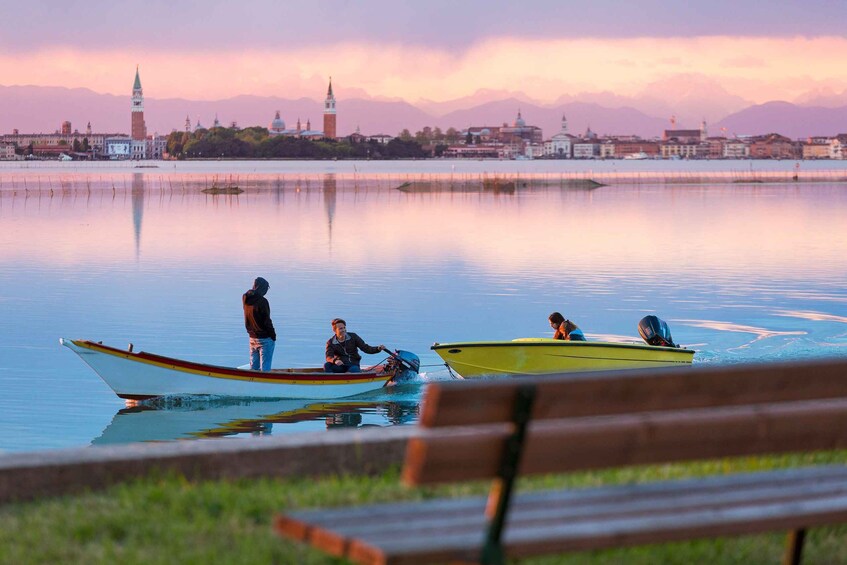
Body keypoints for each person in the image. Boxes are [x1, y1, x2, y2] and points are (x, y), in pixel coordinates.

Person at [243, 277, 276, 371]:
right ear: (261, 288)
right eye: (265, 289)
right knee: (265, 369)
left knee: (254, 368)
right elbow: (267, 321)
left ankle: (253, 384)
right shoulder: (263, 301)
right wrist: (273, 336)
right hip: (265, 338)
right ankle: (265, 384)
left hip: (252, 337)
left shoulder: (245, 298)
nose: (266, 292)